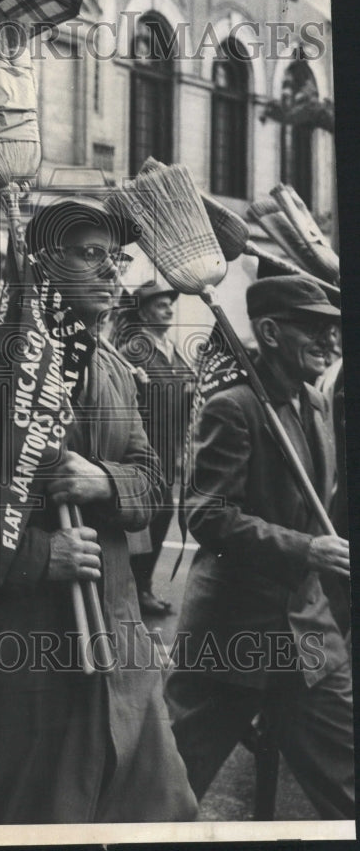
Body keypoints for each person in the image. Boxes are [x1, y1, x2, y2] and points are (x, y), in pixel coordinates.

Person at [0, 194, 197, 824]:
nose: (113, 271)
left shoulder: (113, 370)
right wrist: (40, 554)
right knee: (26, 820)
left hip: (117, 650)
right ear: (42, 267)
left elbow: (150, 481)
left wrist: (102, 483)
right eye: (92, 256)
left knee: (163, 814)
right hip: (21, 647)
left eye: (116, 258)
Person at [164, 276, 354, 820]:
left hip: (309, 638)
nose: (329, 341)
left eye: (333, 329)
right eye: (312, 328)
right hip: (232, 635)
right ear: (269, 332)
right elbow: (207, 514)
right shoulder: (234, 408)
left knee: (347, 792)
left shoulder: (316, 404)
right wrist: (305, 548)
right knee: (169, 793)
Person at [115, 279, 195, 615]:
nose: (169, 309)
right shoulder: (134, 348)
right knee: (139, 527)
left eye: (170, 304)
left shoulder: (171, 348)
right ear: (145, 311)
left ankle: (142, 588)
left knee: (160, 523)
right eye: (161, 304)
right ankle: (134, 592)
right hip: (143, 453)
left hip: (168, 452)